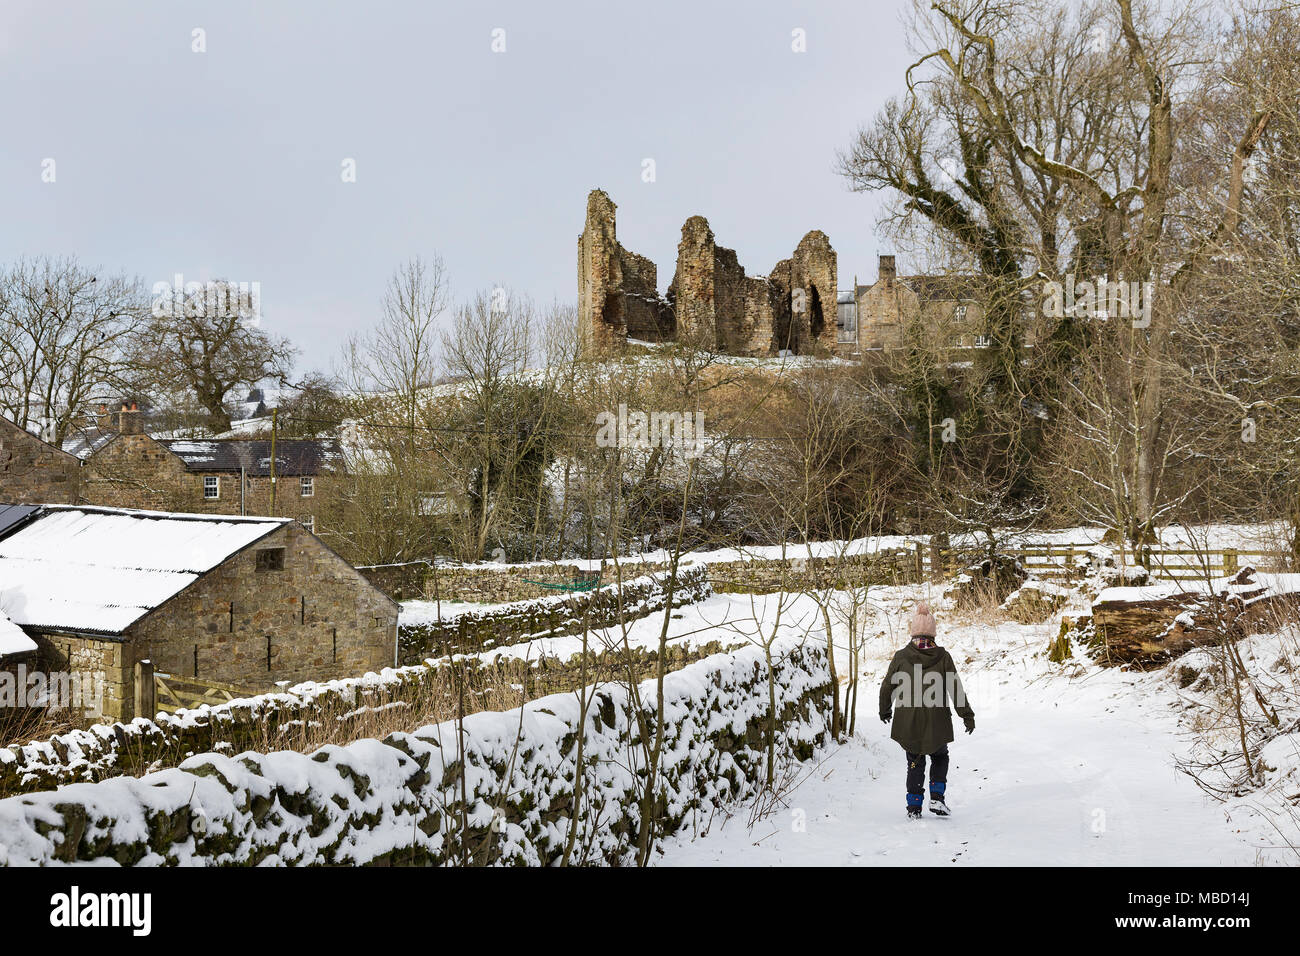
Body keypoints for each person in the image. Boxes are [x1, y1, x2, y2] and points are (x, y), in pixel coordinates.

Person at [878, 601, 975, 819]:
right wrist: (967, 716)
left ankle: (914, 807)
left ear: (913, 632)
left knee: (914, 761)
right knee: (940, 757)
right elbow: (955, 688)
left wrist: (885, 710)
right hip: (937, 722)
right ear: (933, 634)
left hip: (908, 723)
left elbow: (887, 687)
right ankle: (937, 798)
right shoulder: (943, 657)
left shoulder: (901, 656)